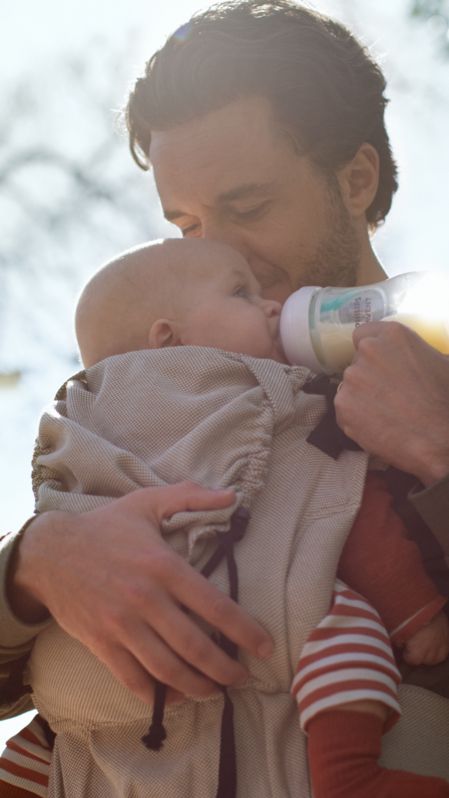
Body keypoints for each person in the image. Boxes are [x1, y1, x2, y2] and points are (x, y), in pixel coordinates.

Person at [1, 0, 449, 780]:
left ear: (354, 178)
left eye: (247, 208)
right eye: (187, 225)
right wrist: (37, 566)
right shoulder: (161, 400)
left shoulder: (438, 342)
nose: (217, 253)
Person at [1, 238, 448, 797]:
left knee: (55, 725)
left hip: (118, 699)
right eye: (243, 292)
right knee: (346, 626)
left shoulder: (74, 433)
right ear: (170, 339)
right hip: (257, 659)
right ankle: (350, 776)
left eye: (251, 206)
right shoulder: (291, 406)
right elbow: (347, 509)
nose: (270, 305)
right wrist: (417, 616)